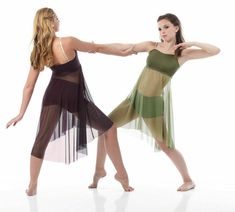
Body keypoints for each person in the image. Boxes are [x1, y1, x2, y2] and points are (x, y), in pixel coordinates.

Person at [6, 7, 135, 196]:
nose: (59, 21)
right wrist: (122, 53)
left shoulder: (39, 49)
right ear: (50, 22)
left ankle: (32, 185)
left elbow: (29, 86)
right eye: (57, 18)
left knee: (41, 139)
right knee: (109, 128)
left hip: (54, 94)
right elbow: (98, 47)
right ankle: (122, 176)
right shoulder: (68, 42)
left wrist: (21, 112)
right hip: (73, 97)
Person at [89, 13, 220, 192]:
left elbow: (215, 51)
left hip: (152, 104)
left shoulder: (182, 54)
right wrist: (97, 47)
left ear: (176, 28)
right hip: (134, 100)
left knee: (165, 145)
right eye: (159, 28)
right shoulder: (152, 46)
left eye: (166, 27)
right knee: (105, 126)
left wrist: (192, 43)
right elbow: (125, 48)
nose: (162, 31)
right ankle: (100, 170)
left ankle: (188, 180)